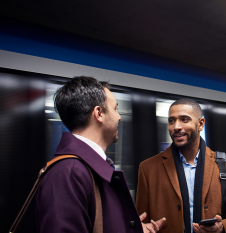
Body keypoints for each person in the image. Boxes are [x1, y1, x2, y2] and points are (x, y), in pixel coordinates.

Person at [35, 76, 165, 233]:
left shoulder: (86, 168)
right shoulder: (68, 174)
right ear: (99, 113)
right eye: (115, 109)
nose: (119, 116)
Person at [136, 99, 226, 233]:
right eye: (171, 121)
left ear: (200, 124)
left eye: (184, 119)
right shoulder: (148, 169)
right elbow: (141, 221)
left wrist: (222, 228)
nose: (176, 127)